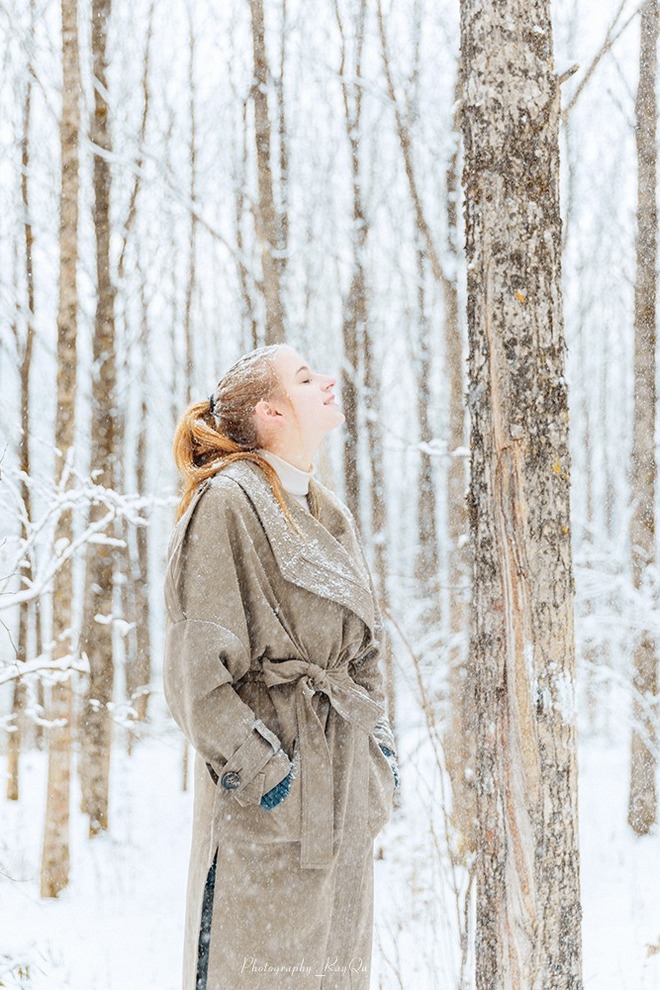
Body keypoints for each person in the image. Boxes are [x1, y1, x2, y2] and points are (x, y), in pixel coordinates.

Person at [163, 343, 399, 990]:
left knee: (335, 972)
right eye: (304, 377)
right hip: (267, 810)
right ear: (270, 411)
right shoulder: (226, 505)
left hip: (343, 794)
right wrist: (272, 779)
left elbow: (364, 651)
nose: (326, 380)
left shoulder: (326, 510)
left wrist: (377, 757)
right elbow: (194, 678)